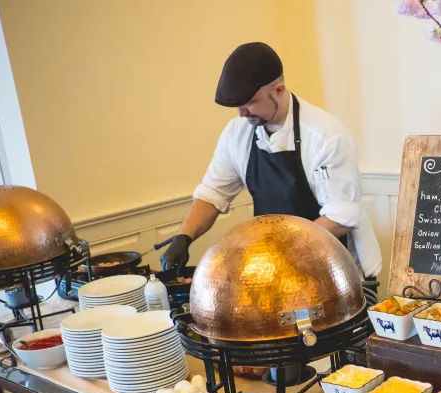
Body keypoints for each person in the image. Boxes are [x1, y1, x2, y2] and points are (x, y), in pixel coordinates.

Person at [160, 42, 381, 281]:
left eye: (250, 102)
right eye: (237, 105)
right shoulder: (238, 133)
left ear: (278, 89)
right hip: (277, 268)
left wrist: (279, 249)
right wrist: (183, 237)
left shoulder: (326, 136)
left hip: (333, 268)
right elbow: (213, 194)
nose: (241, 113)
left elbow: (340, 218)